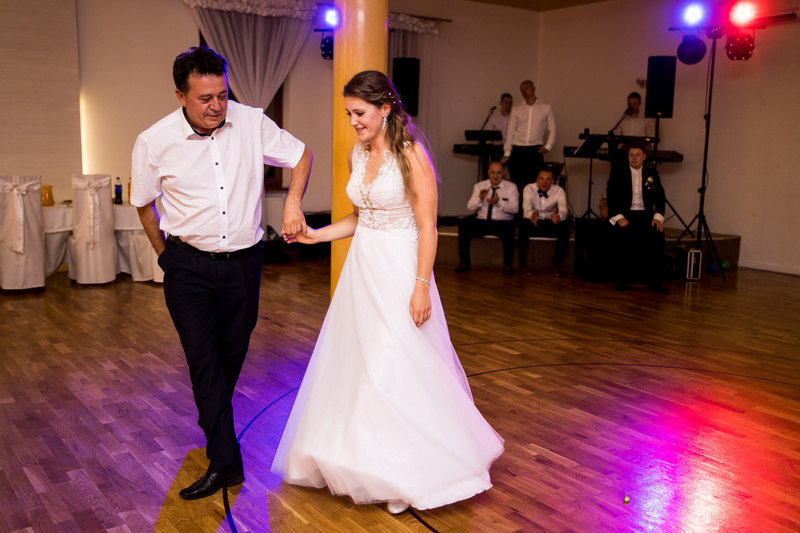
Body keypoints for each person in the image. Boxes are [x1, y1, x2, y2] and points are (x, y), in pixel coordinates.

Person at [271, 71, 504, 515]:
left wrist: (421, 287)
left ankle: (407, 473)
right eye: (348, 113)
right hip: (362, 270)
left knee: (395, 365)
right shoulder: (357, 154)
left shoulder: (412, 156)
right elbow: (363, 217)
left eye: (359, 113)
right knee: (361, 365)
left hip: (401, 270)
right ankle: (367, 463)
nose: (353, 122)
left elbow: (428, 228)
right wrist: (317, 235)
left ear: (385, 108)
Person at [130, 46, 313, 500]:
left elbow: (301, 154)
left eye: (222, 95)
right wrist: (166, 257)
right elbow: (144, 203)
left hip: (244, 266)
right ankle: (225, 462)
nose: (217, 106)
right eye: (205, 98)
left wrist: (292, 202)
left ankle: (215, 426)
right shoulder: (154, 141)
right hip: (187, 266)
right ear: (180, 96)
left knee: (229, 359)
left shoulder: (250, 121)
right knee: (204, 362)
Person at [606, 142, 669, 294]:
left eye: (638, 155)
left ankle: (654, 283)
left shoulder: (652, 174)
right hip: (626, 214)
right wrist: (619, 218)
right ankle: (623, 280)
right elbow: (611, 198)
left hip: (646, 215)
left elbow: (660, 198)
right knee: (622, 237)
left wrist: (658, 218)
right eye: (631, 155)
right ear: (628, 157)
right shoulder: (617, 173)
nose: (634, 158)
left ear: (644, 157)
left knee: (657, 238)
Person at [454, 161, 519, 276]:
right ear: (488, 173)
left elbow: (515, 209)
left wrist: (499, 202)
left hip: (502, 222)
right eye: (493, 172)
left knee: (510, 228)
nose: (495, 176)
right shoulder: (479, 186)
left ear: (503, 173)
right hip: (482, 221)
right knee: (464, 224)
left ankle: (507, 265)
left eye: (498, 172)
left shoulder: (511, 187)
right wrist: (480, 198)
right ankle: (464, 262)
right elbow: (470, 207)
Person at [503, 80, 556, 194]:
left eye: (526, 88)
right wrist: (507, 154)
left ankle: (531, 206)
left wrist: (548, 146)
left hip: (534, 151)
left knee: (533, 186)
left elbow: (552, 128)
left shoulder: (545, 107)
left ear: (534, 88)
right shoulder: (517, 109)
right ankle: (516, 205)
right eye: (522, 89)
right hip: (517, 150)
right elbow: (510, 132)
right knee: (515, 184)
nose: (524, 91)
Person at [518, 167, 570, 278]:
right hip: (534, 221)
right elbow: (526, 209)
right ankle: (523, 266)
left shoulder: (559, 190)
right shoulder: (529, 188)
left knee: (565, 225)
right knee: (523, 224)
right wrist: (532, 214)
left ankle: (557, 266)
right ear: (537, 180)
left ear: (553, 181)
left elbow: (564, 210)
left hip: (550, 221)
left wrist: (558, 216)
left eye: (548, 179)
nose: (544, 182)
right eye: (541, 179)